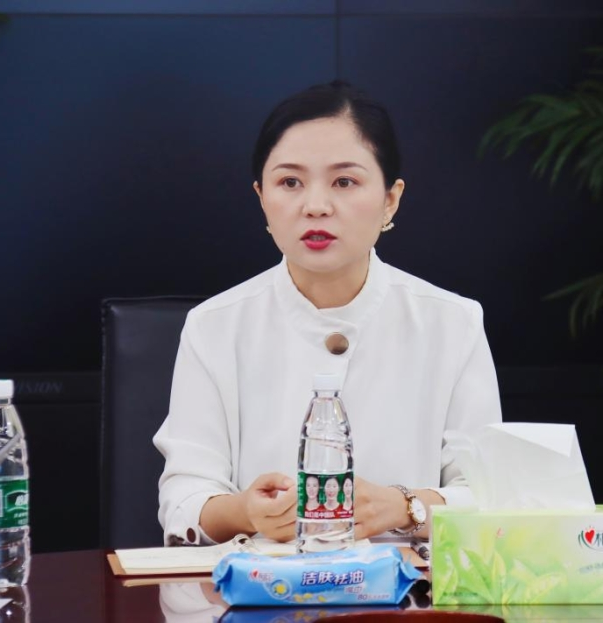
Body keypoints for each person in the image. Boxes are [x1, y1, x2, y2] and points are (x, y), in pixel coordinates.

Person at [153, 80, 502, 546]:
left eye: (344, 182)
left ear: (391, 199)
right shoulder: (214, 326)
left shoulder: (453, 323)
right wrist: (245, 511)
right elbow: (183, 500)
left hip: (407, 586)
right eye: (289, 182)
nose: (315, 206)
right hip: (264, 584)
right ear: (262, 198)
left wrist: (404, 507)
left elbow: (490, 497)